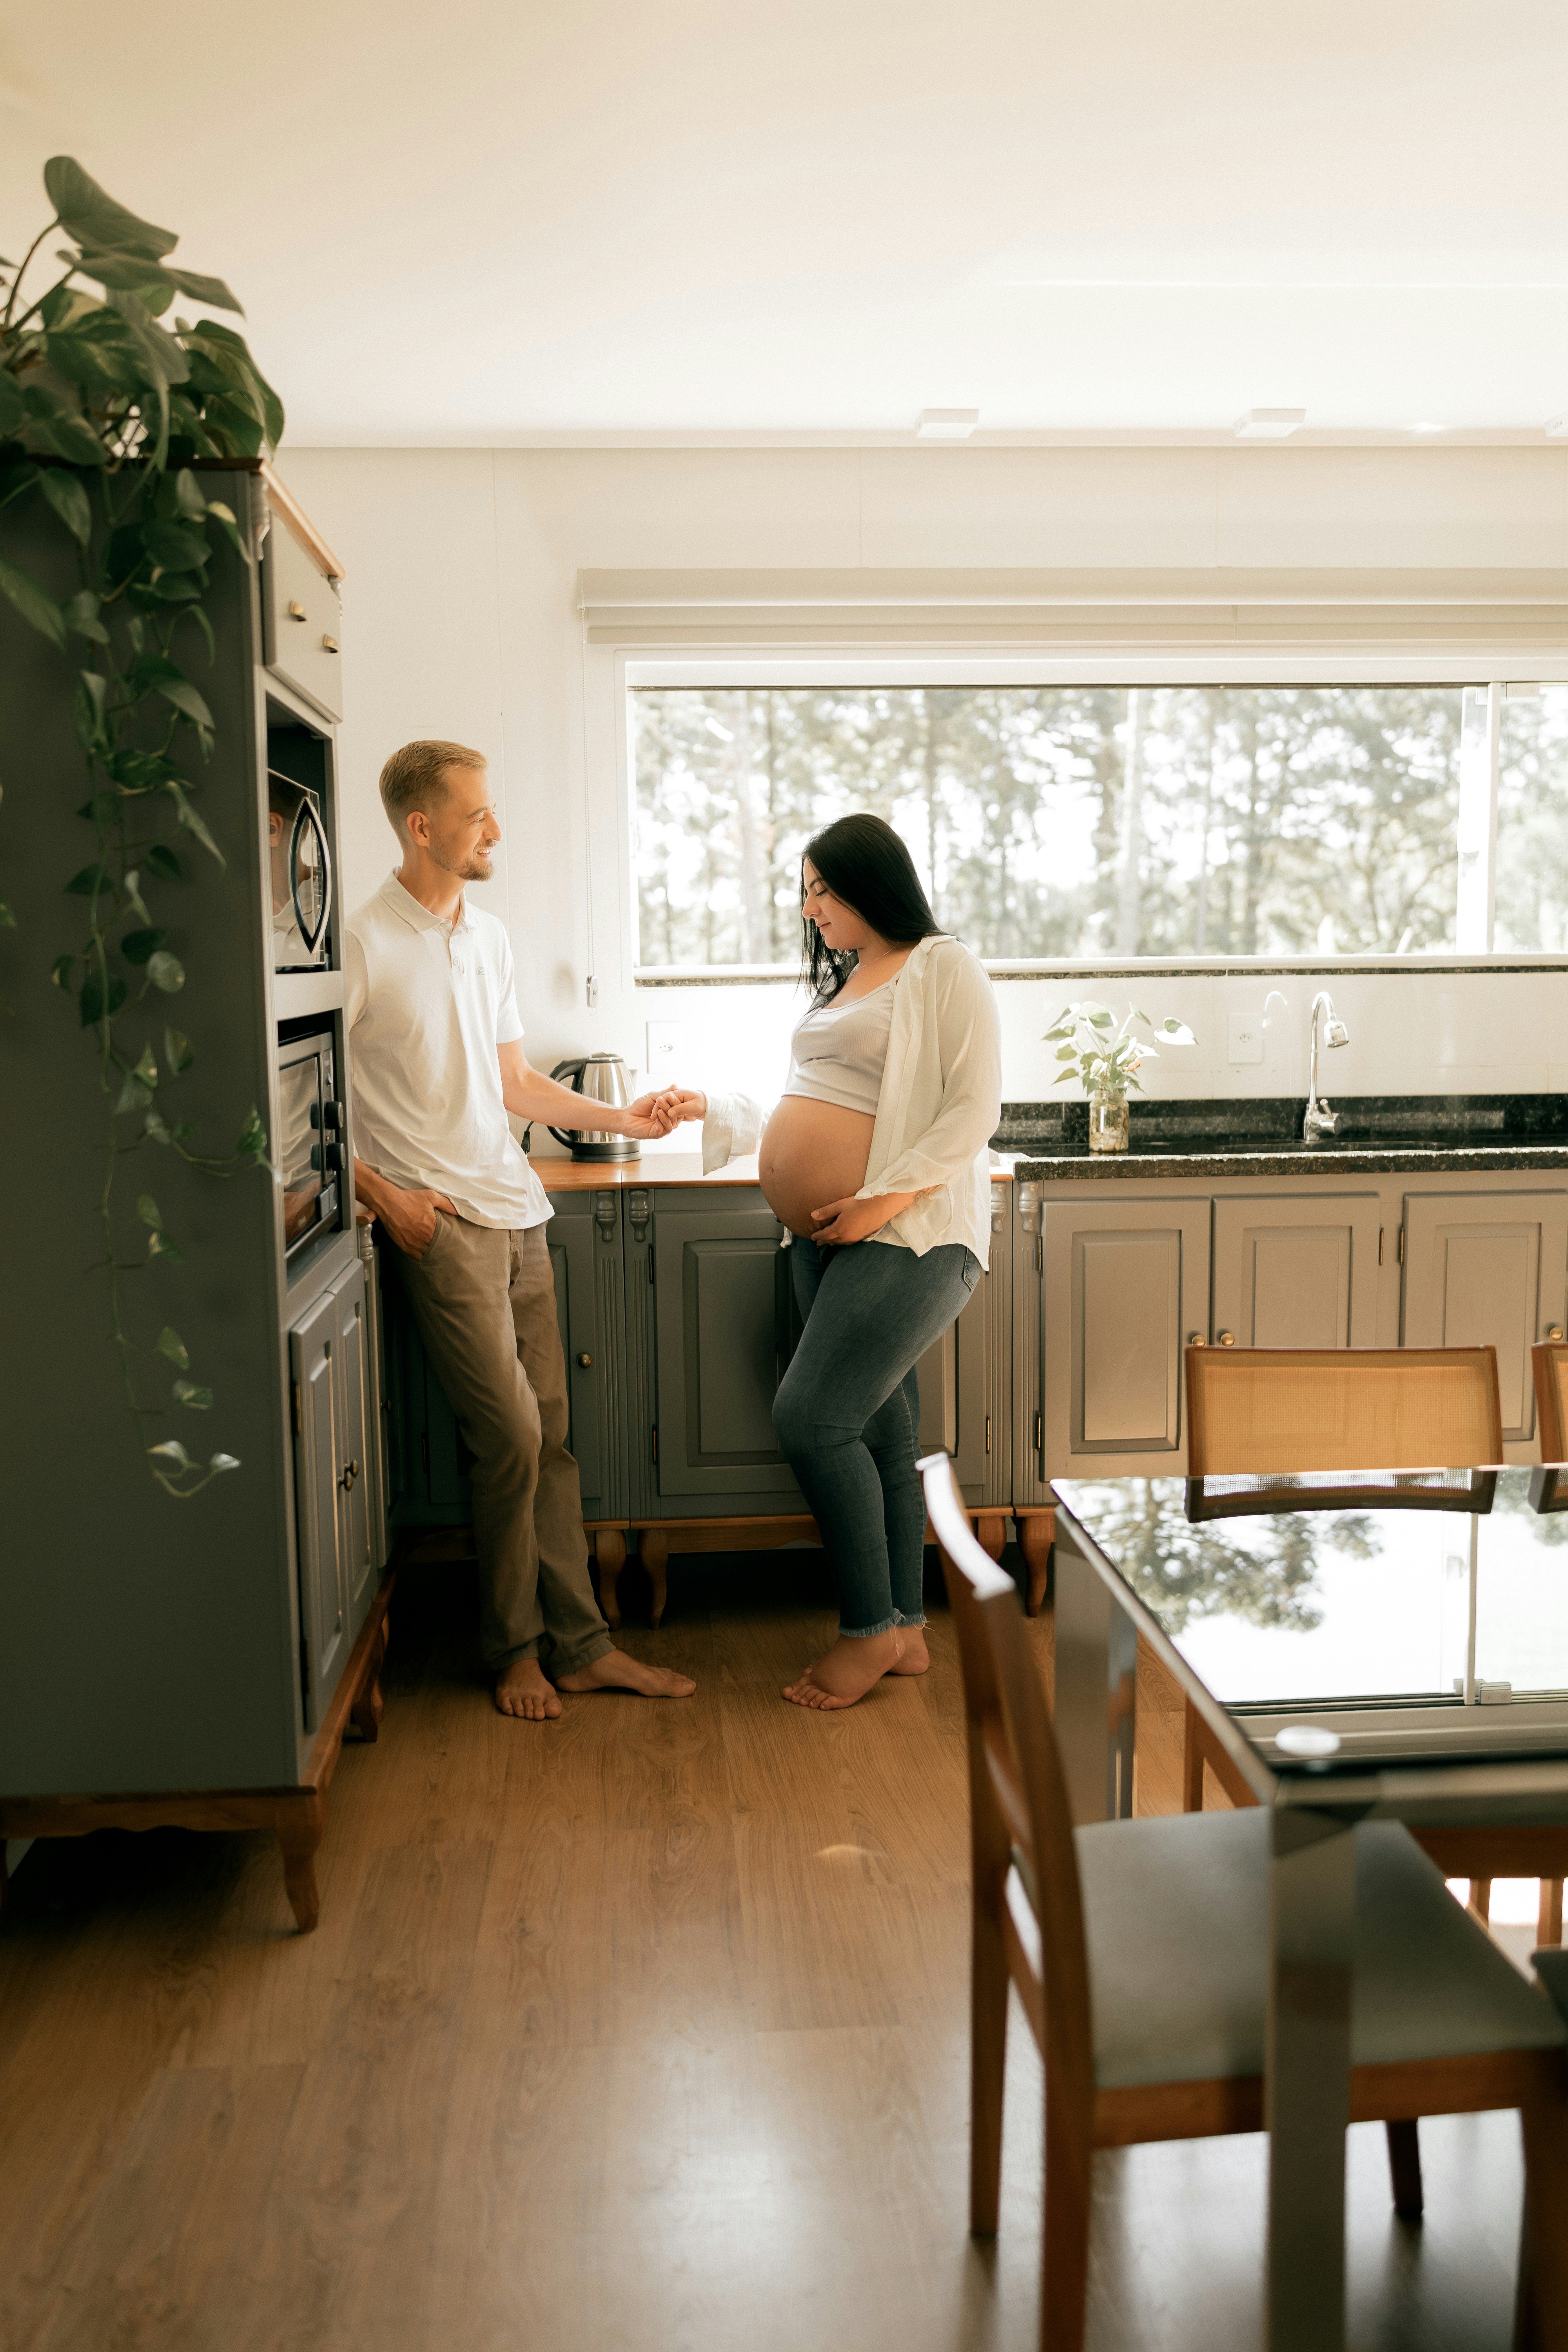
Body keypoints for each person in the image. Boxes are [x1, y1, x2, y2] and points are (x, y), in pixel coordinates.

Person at [347, 738, 696, 1720]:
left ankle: (582, 1647)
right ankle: (514, 1650)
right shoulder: (362, 942)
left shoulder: (486, 937)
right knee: (506, 1435)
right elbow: (299, 1104)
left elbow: (512, 1085)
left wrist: (628, 1122)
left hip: (516, 1209)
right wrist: (384, 1197)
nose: (495, 829)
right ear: (422, 828)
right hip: (440, 1220)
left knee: (551, 1436)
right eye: (477, 815)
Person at [663, 813, 1002, 1711]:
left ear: (873, 884)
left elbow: (971, 1111)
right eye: (805, 893)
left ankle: (865, 1633)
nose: (811, 909)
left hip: (909, 1236)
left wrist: (876, 1204)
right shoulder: (849, 982)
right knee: (882, 1437)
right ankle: (905, 1630)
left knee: (811, 1420)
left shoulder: (942, 966)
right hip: (829, 1238)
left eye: (825, 889)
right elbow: (816, 1097)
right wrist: (713, 1105)